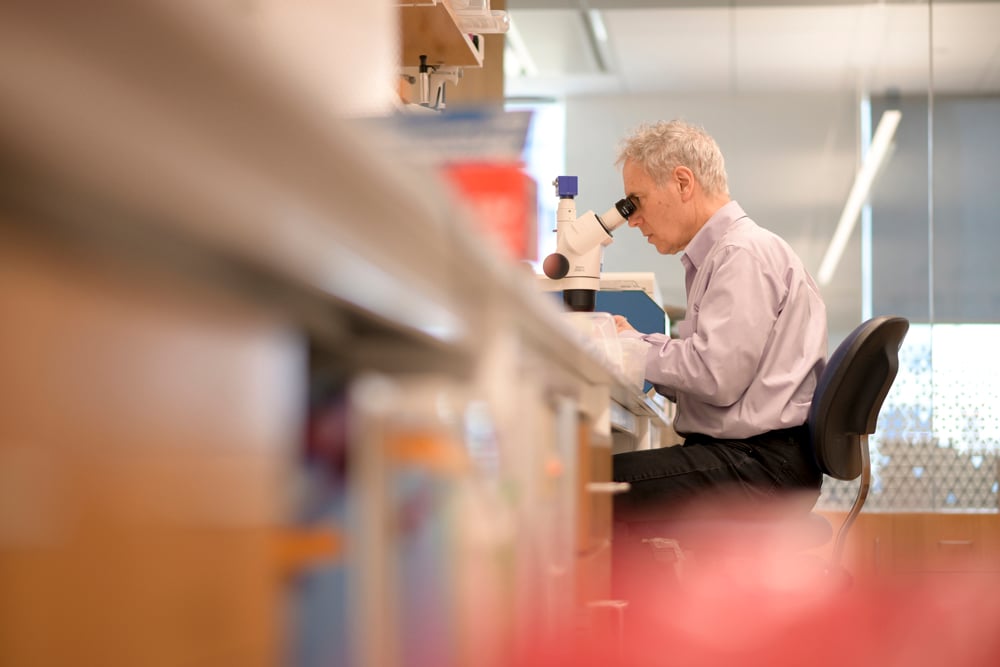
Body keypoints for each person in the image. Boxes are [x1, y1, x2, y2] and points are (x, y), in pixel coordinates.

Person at [610, 119, 828, 528]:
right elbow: (716, 372)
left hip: (759, 466)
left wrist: (630, 350)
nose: (633, 220)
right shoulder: (724, 256)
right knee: (602, 483)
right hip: (757, 459)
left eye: (636, 200)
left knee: (594, 489)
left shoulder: (741, 254)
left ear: (682, 182)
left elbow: (716, 377)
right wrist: (638, 345)